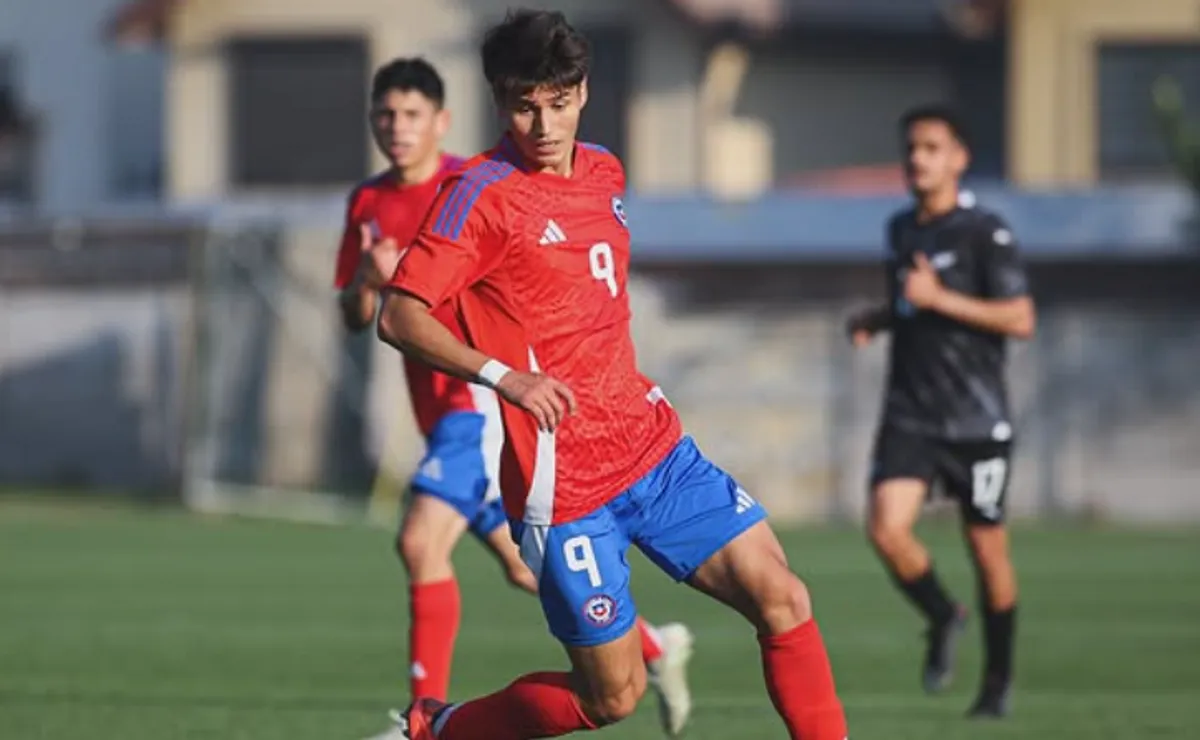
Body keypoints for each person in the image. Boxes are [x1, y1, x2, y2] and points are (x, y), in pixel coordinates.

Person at [373, 9, 848, 740]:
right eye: (525, 106)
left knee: (783, 596)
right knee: (611, 698)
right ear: (499, 101)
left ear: (584, 93)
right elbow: (399, 315)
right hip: (561, 484)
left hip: (651, 449)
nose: (543, 124)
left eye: (558, 103)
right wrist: (505, 377)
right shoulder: (477, 195)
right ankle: (439, 729)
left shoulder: (605, 171)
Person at [336, 57, 694, 735]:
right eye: (385, 115)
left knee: (419, 544)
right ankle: (655, 645)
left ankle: (421, 721)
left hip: (482, 409)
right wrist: (367, 281)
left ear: (442, 122)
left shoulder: (471, 187)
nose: (397, 128)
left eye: (412, 115)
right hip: (436, 411)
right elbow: (359, 318)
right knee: (528, 569)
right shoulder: (367, 203)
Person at [846, 104, 1036, 718]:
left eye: (931, 147)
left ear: (959, 158)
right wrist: (879, 319)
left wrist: (939, 298)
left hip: (976, 419)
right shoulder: (901, 229)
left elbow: (1020, 318)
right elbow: (911, 306)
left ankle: (997, 684)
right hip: (910, 411)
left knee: (987, 552)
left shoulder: (986, 232)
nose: (917, 158)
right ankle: (942, 614)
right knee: (885, 529)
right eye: (911, 148)